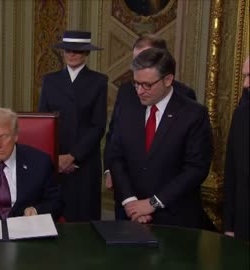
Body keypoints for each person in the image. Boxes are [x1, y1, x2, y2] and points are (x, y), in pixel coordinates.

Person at [109, 48, 213, 228]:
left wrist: (152, 203)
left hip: (176, 219)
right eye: (136, 83)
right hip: (130, 216)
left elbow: (196, 169)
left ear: (168, 80)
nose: (140, 91)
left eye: (147, 85)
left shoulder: (193, 114)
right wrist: (131, 202)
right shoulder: (127, 108)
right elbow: (116, 156)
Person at [38, 31, 108, 222]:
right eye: (68, 50)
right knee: (51, 218)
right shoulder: (49, 80)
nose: (72, 54)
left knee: (83, 220)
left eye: (78, 50)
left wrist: (72, 157)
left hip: (84, 162)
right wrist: (56, 158)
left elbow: (98, 126)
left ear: (87, 53)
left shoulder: (99, 81)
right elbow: (43, 123)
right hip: (54, 161)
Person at [223, 56, 249, 241]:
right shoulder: (242, 115)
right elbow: (232, 173)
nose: (246, 84)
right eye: (245, 76)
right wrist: (230, 226)